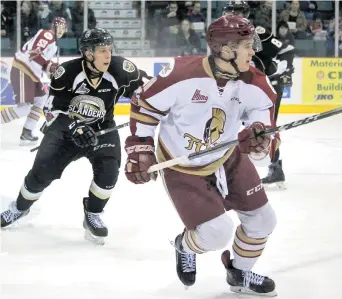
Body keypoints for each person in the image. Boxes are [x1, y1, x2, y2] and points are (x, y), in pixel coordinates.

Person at [124, 15, 279, 296]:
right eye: (246, 45)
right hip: (183, 166)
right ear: (226, 49)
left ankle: (239, 273)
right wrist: (141, 147)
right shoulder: (180, 74)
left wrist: (260, 136)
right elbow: (144, 104)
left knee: (263, 220)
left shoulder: (254, 81)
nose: (253, 51)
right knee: (216, 233)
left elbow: (263, 119)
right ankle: (184, 245)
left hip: (228, 156)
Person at [0, 28, 144, 245]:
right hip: (65, 133)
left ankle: (93, 213)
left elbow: (149, 90)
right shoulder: (66, 72)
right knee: (40, 174)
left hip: (102, 129)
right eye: (102, 51)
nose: (108, 55)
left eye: (109, 50)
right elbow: (51, 110)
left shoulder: (120, 69)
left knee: (108, 173)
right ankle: (19, 208)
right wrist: (75, 125)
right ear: (87, 53)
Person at [223, 1, 295, 189]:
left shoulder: (256, 32)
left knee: (264, 128)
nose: (234, 15)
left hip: (263, 88)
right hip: (241, 89)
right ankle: (232, 169)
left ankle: (274, 168)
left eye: (237, 11)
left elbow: (285, 50)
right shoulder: (223, 35)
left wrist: (284, 71)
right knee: (231, 125)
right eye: (231, 11)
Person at [0, 17, 66, 145]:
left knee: (41, 98)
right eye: (61, 27)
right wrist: (51, 66)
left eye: (64, 28)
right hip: (23, 69)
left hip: (32, 73)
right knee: (23, 109)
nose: (63, 30)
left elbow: (42, 62)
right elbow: (34, 54)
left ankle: (27, 132)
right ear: (55, 26)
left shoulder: (53, 44)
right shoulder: (47, 34)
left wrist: (52, 70)